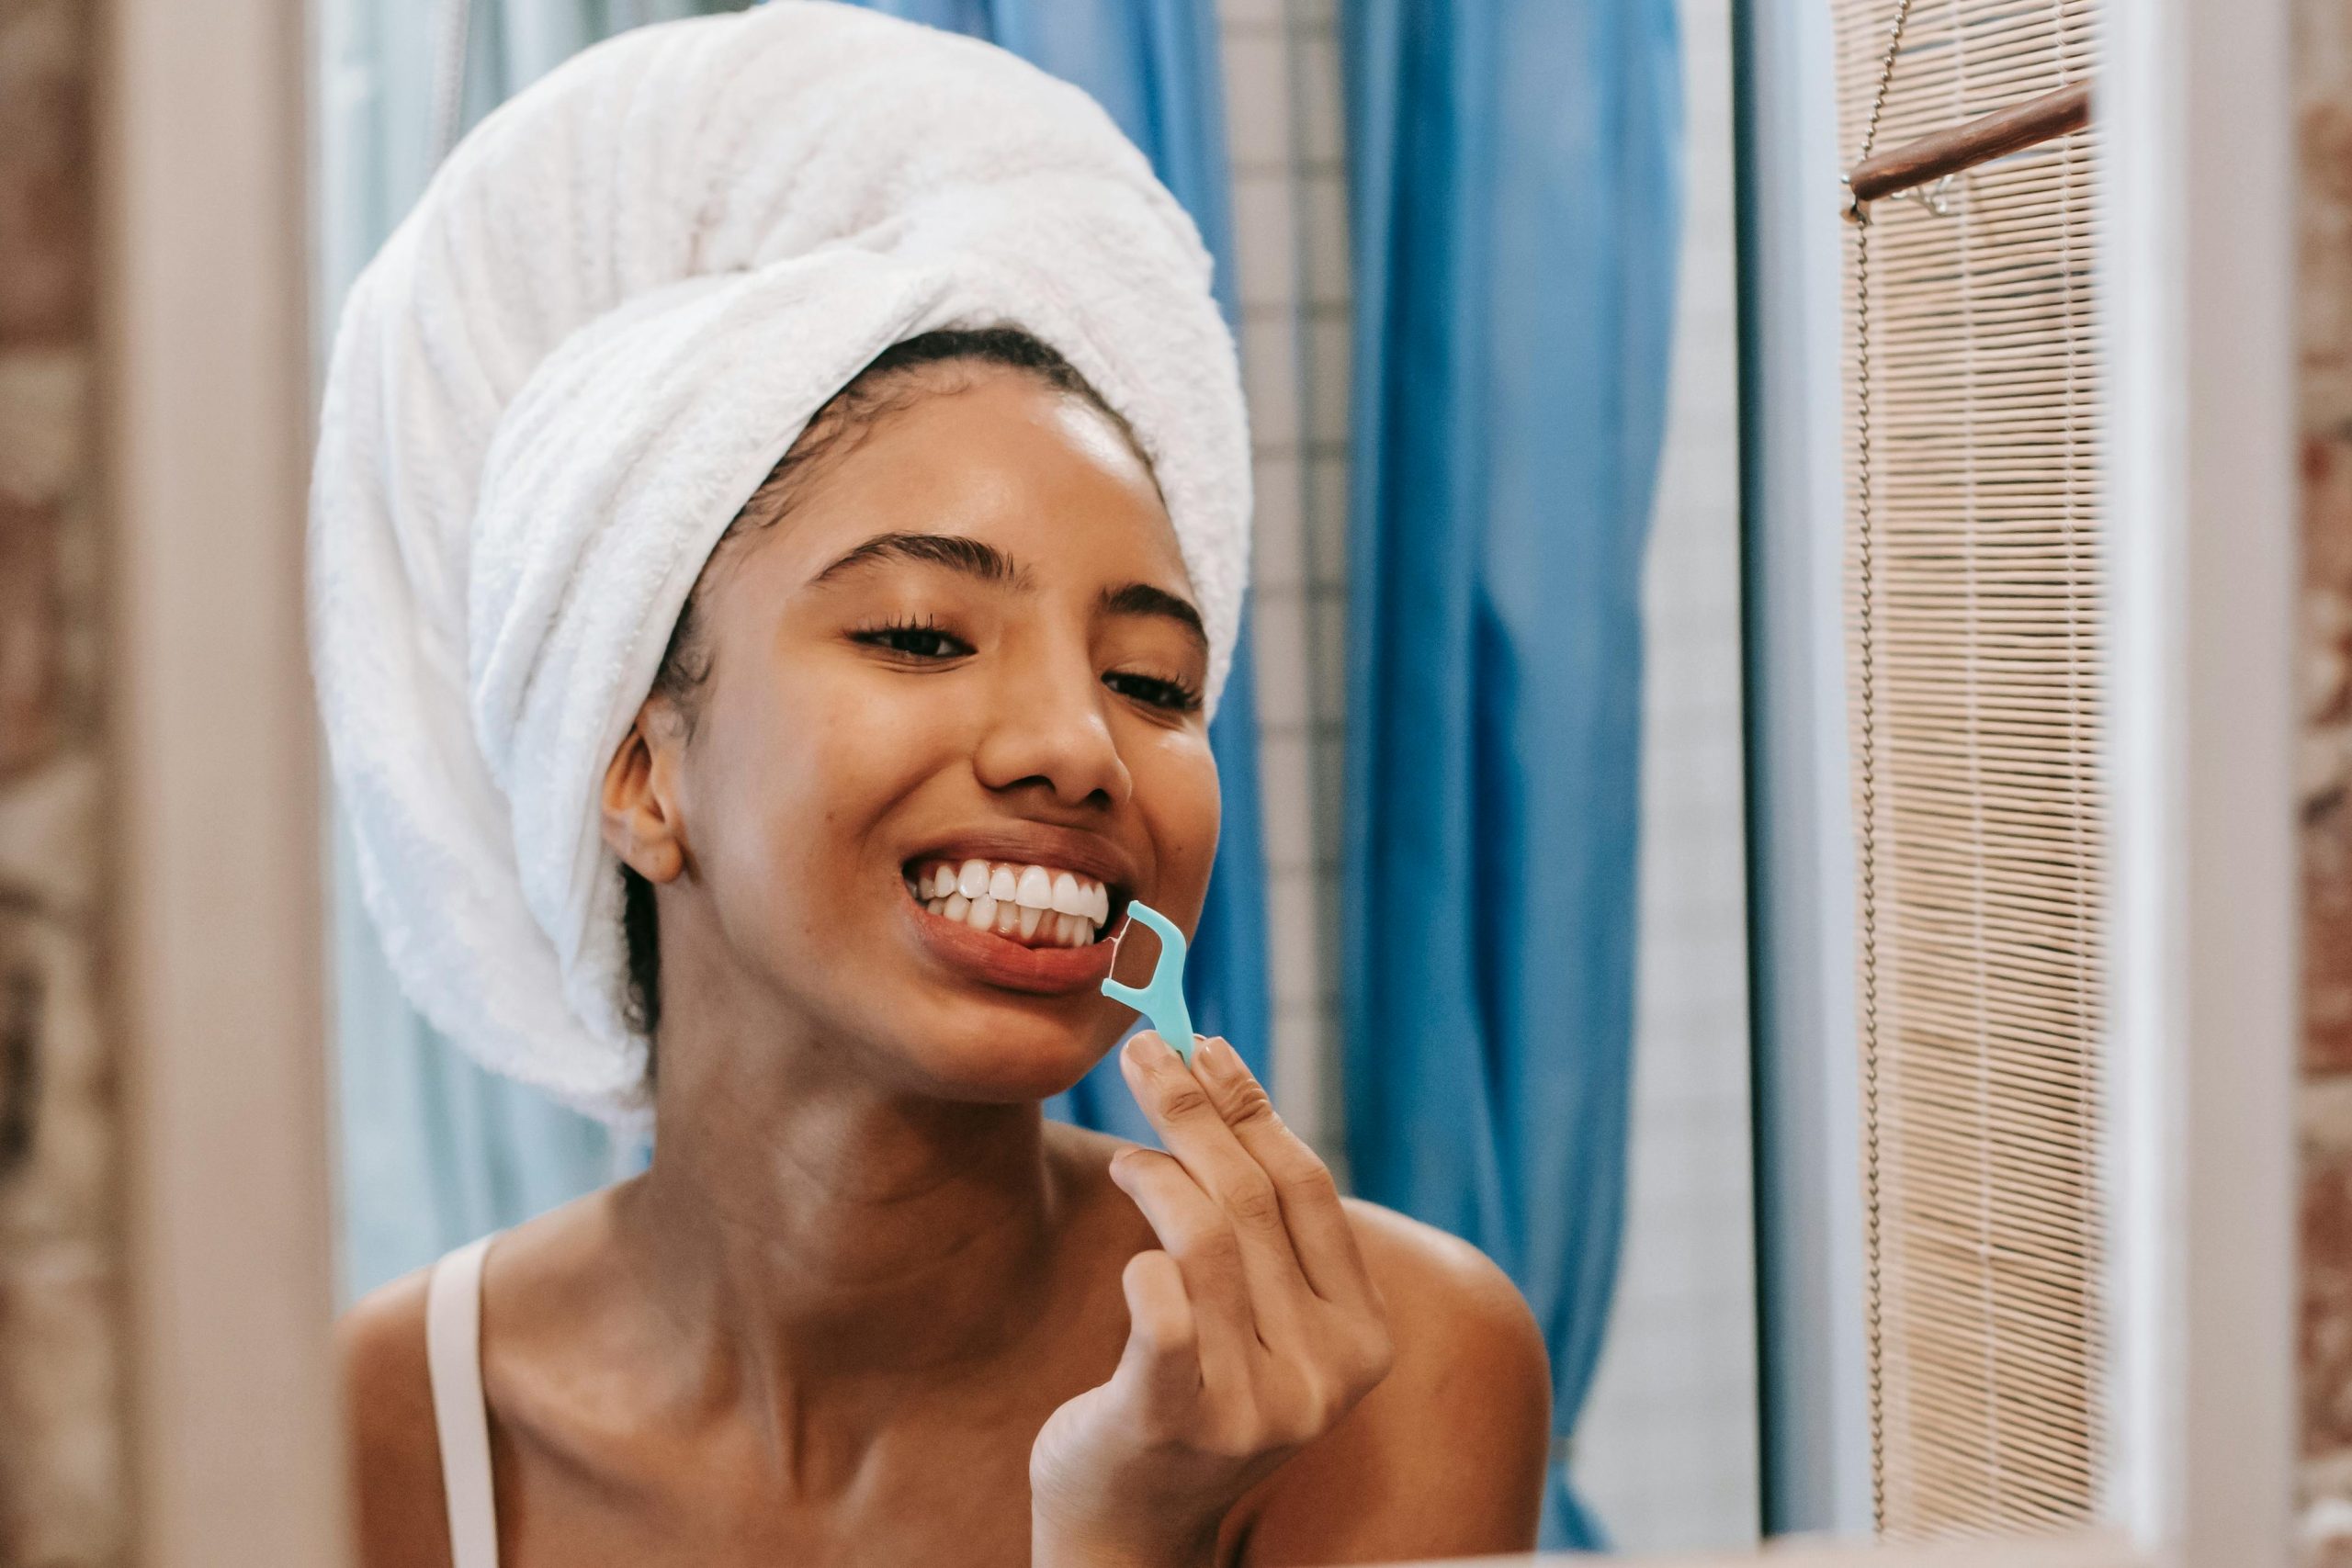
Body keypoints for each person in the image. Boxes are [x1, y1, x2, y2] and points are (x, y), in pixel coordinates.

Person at [315, 11, 1548, 1564]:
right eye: (918, 632)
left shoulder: (1386, 1372)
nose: (1082, 746)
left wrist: (1124, 1539)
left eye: (1155, 682)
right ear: (636, 771)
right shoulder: (374, 1435)